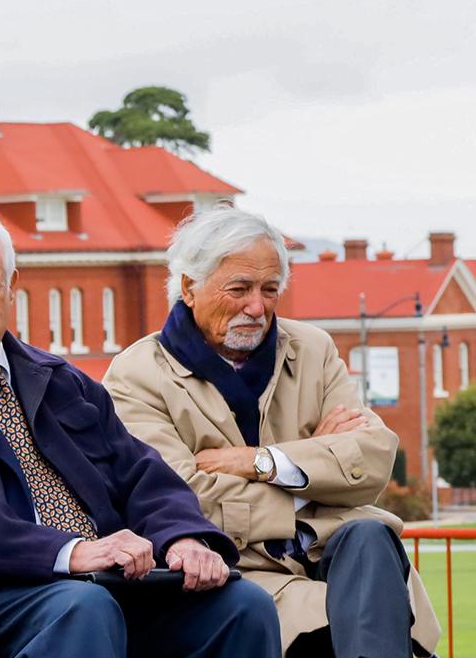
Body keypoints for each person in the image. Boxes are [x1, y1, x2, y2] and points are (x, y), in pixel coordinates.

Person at [0, 199, 281, 658]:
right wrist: (68, 552)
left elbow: (139, 473)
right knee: (84, 607)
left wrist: (182, 536)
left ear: (11, 287)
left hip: (105, 583)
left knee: (242, 605)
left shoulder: (60, 381)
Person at [105, 206, 439, 656]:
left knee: (370, 537)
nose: (257, 307)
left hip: (342, 560)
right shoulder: (136, 375)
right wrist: (311, 474)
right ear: (189, 287)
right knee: (349, 618)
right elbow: (179, 497)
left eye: (269, 289)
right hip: (243, 575)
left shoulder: (312, 349)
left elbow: (374, 456)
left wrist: (261, 461)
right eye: (239, 289)